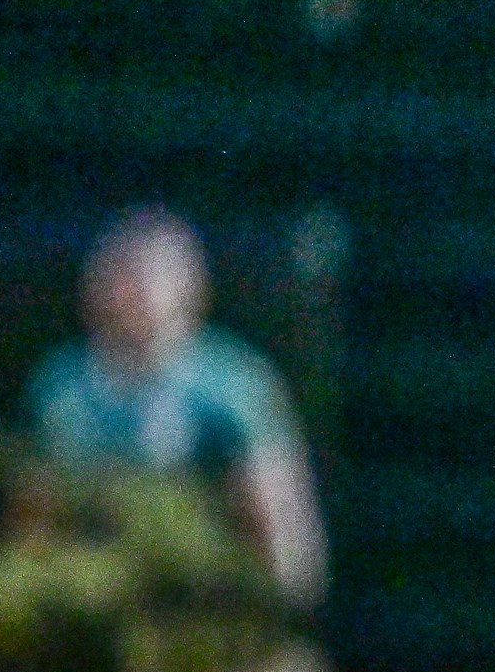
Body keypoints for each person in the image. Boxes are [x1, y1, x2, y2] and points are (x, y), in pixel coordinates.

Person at [27, 208, 326, 608]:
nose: (136, 290)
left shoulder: (235, 382)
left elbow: (280, 515)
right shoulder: (60, 384)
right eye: (123, 273)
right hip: (91, 591)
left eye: (154, 274)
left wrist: (284, 603)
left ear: (192, 287)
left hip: (203, 590)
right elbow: (32, 515)